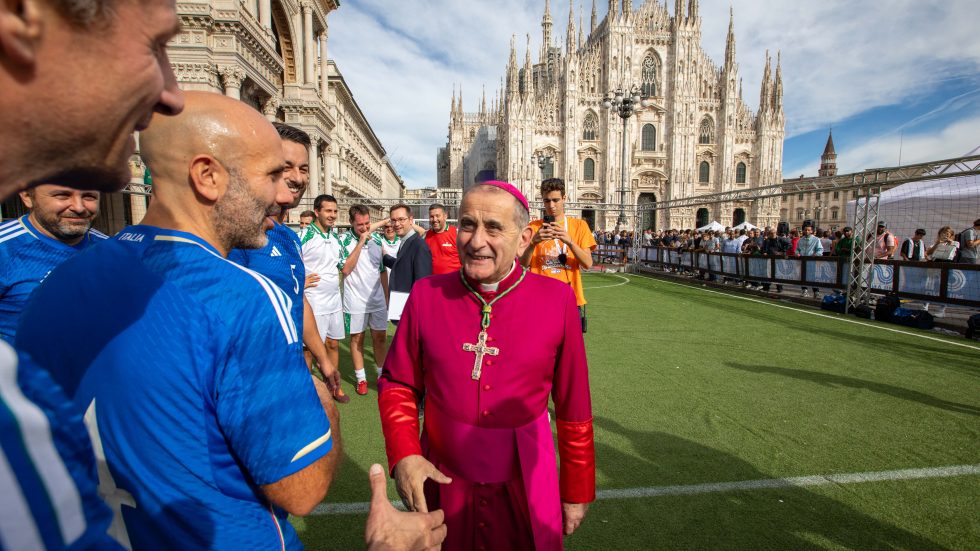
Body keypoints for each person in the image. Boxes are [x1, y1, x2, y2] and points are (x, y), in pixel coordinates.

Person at [17, 92, 342, 548]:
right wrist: (319, 394)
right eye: (270, 174)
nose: (278, 194)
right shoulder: (240, 296)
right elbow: (303, 488)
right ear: (207, 176)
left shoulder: (63, 278)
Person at [0, 0, 184, 546]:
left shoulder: (114, 251)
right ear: (21, 15)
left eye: (89, 196)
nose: (171, 93)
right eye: (155, 46)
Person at [378, 181, 595, 551]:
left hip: (525, 476)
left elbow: (574, 405)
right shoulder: (427, 295)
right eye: (467, 224)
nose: (476, 241)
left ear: (524, 238)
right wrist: (405, 453)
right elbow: (398, 382)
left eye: (494, 227)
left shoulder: (556, 300)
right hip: (443, 475)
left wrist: (576, 489)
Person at [227, 123, 344, 403]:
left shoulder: (289, 238)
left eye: (303, 169)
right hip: (248, 385)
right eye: (286, 166)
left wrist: (325, 361)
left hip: (284, 374)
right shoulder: (238, 234)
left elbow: (297, 300)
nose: (297, 177)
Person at [1, 185, 108, 343]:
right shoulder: (5, 249)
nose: (79, 207)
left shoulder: (113, 250)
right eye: (62, 195)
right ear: (27, 196)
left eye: (89, 196)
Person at [520, 178, 597, 332]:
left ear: (564, 198)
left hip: (570, 298)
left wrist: (570, 242)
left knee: (569, 351)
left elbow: (588, 263)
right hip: (540, 299)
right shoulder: (533, 227)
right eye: (547, 201)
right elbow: (522, 264)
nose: (551, 206)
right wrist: (533, 243)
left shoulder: (579, 226)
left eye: (556, 200)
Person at [340, 204, 390, 395]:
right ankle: (361, 379)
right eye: (360, 224)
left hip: (377, 299)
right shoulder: (344, 240)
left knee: (380, 338)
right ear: (351, 222)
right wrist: (360, 242)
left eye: (367, 223)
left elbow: (382, 271)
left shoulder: (377, 239)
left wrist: (386, 296)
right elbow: (345, 269)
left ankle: (381, 375)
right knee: (357, 339)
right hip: (355, 300)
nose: (365, 228)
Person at [302, 194, 347, 396]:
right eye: (328, 211)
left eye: (335, 211)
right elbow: (289, 263)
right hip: (313, 302)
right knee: (309, 349)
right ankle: (308, 391)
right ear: (317, 212)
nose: (332, 215)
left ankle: (333, 386)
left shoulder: (336, 237)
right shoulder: (305, 235)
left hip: (334, 301)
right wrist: (300, 282)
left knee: (333, 343)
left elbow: (342, 265)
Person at [383, 204, 432, 321]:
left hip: (411, 310)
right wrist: (385, 257)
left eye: (401, 219)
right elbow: (404, 266)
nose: (397, 224)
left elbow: (422, 285)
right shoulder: (406, 241)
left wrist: (415, 314)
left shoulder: (419, 245)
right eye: (393, 220)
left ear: (411, 220)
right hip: (402, 306)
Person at [424, 203, 462, 275]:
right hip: (433, 281)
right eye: (432, 216)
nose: (435, 219)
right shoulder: (427, 235)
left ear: (445, 216)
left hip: (452, 281)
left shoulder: (456, 234)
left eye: (437, 216)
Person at [795, 225, 823, 298]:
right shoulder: (800, 240)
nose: (807, 231)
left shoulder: (816, 239)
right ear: (803, 231)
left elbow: (820, 249)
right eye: (805, 230)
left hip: (812, 261)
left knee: (813, 277)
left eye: (808, 230)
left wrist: (816, 254)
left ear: (811, 231)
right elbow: (797, 249)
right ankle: (804, 290)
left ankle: (816, 292)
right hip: (802, 261)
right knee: (803, 276)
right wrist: (797, 253)